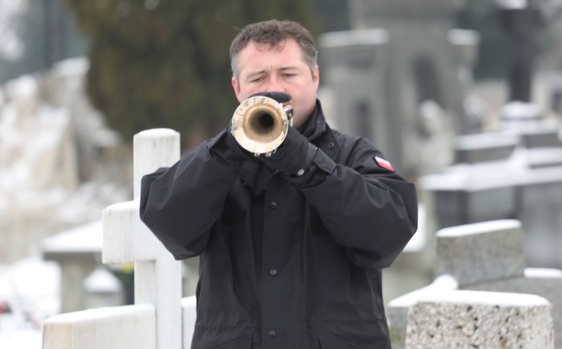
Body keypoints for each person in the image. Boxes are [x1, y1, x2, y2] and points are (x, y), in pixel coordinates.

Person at [140, 19, 418, 348]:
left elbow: (391, 231)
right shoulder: (215, 160)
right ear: (237, 89)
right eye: (258, 78)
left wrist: (307, 165)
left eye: (288, 74)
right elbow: (169, 222)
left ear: (314, 78)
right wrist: (226, 152)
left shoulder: (353, 154)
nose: (275, 89)